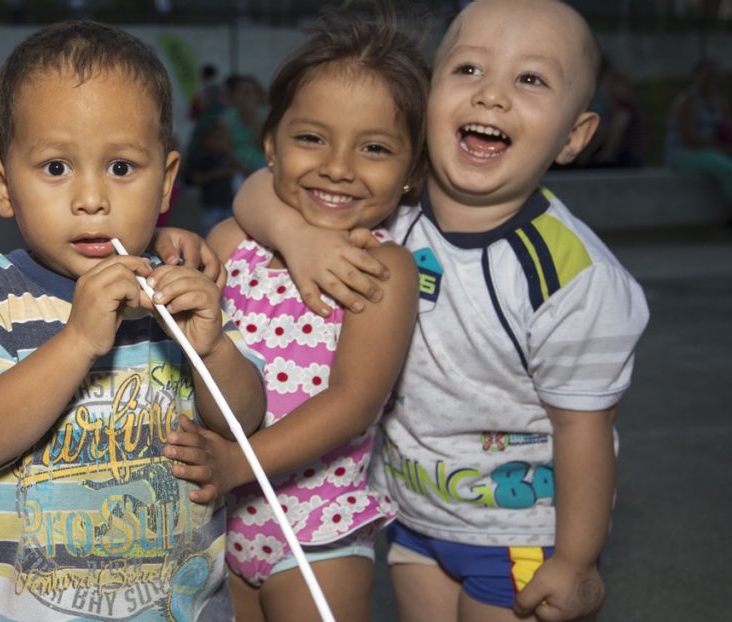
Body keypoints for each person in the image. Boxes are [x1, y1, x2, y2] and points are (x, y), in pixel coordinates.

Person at [233, 2, 650, 621]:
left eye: (530, 79)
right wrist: (295, 236)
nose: (492, 97)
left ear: (573, 136)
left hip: (518, 530)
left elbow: (584, 430)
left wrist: (578, 561)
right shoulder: (392, 207)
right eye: (470, 70)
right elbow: (260, 185)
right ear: (427, 105)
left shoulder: (573, 280)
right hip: (412, 514)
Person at [0, 21, 267, 621]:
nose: (91, 198)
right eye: (56, 168)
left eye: (122, 168)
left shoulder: (178, 286)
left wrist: (212, 350)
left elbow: (242, 423)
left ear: (165, 181)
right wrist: (78, 339)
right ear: (3, 187)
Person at [167, 14, 428, 622]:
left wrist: (237, 463)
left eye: (375, 148)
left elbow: (355, 400)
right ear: (270, 144)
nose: (339, 167)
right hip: (216, 523)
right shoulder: (236, 239)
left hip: (319, 527)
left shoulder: (382, 268)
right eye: (311, 138)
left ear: (413, 171)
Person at [665, 58, 732, 211]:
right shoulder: (687, 101)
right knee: (727, 169)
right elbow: (689, 139)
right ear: (696, 76)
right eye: (707, 75)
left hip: (715, 151)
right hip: (685, 154)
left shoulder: (720, 102)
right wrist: (725, 150)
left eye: (716, 75)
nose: (712, 80)